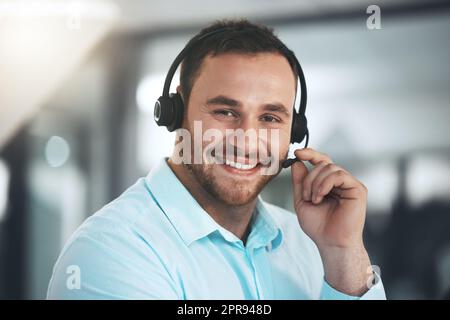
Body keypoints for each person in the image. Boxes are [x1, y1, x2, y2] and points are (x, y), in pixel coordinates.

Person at [47, 19, 386, 300]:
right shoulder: (111, 252)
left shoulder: (308, 243)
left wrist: (343, 253)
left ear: (294, 131)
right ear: (175, 111)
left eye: (270, 118)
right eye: (225, 111)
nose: (246, 140)